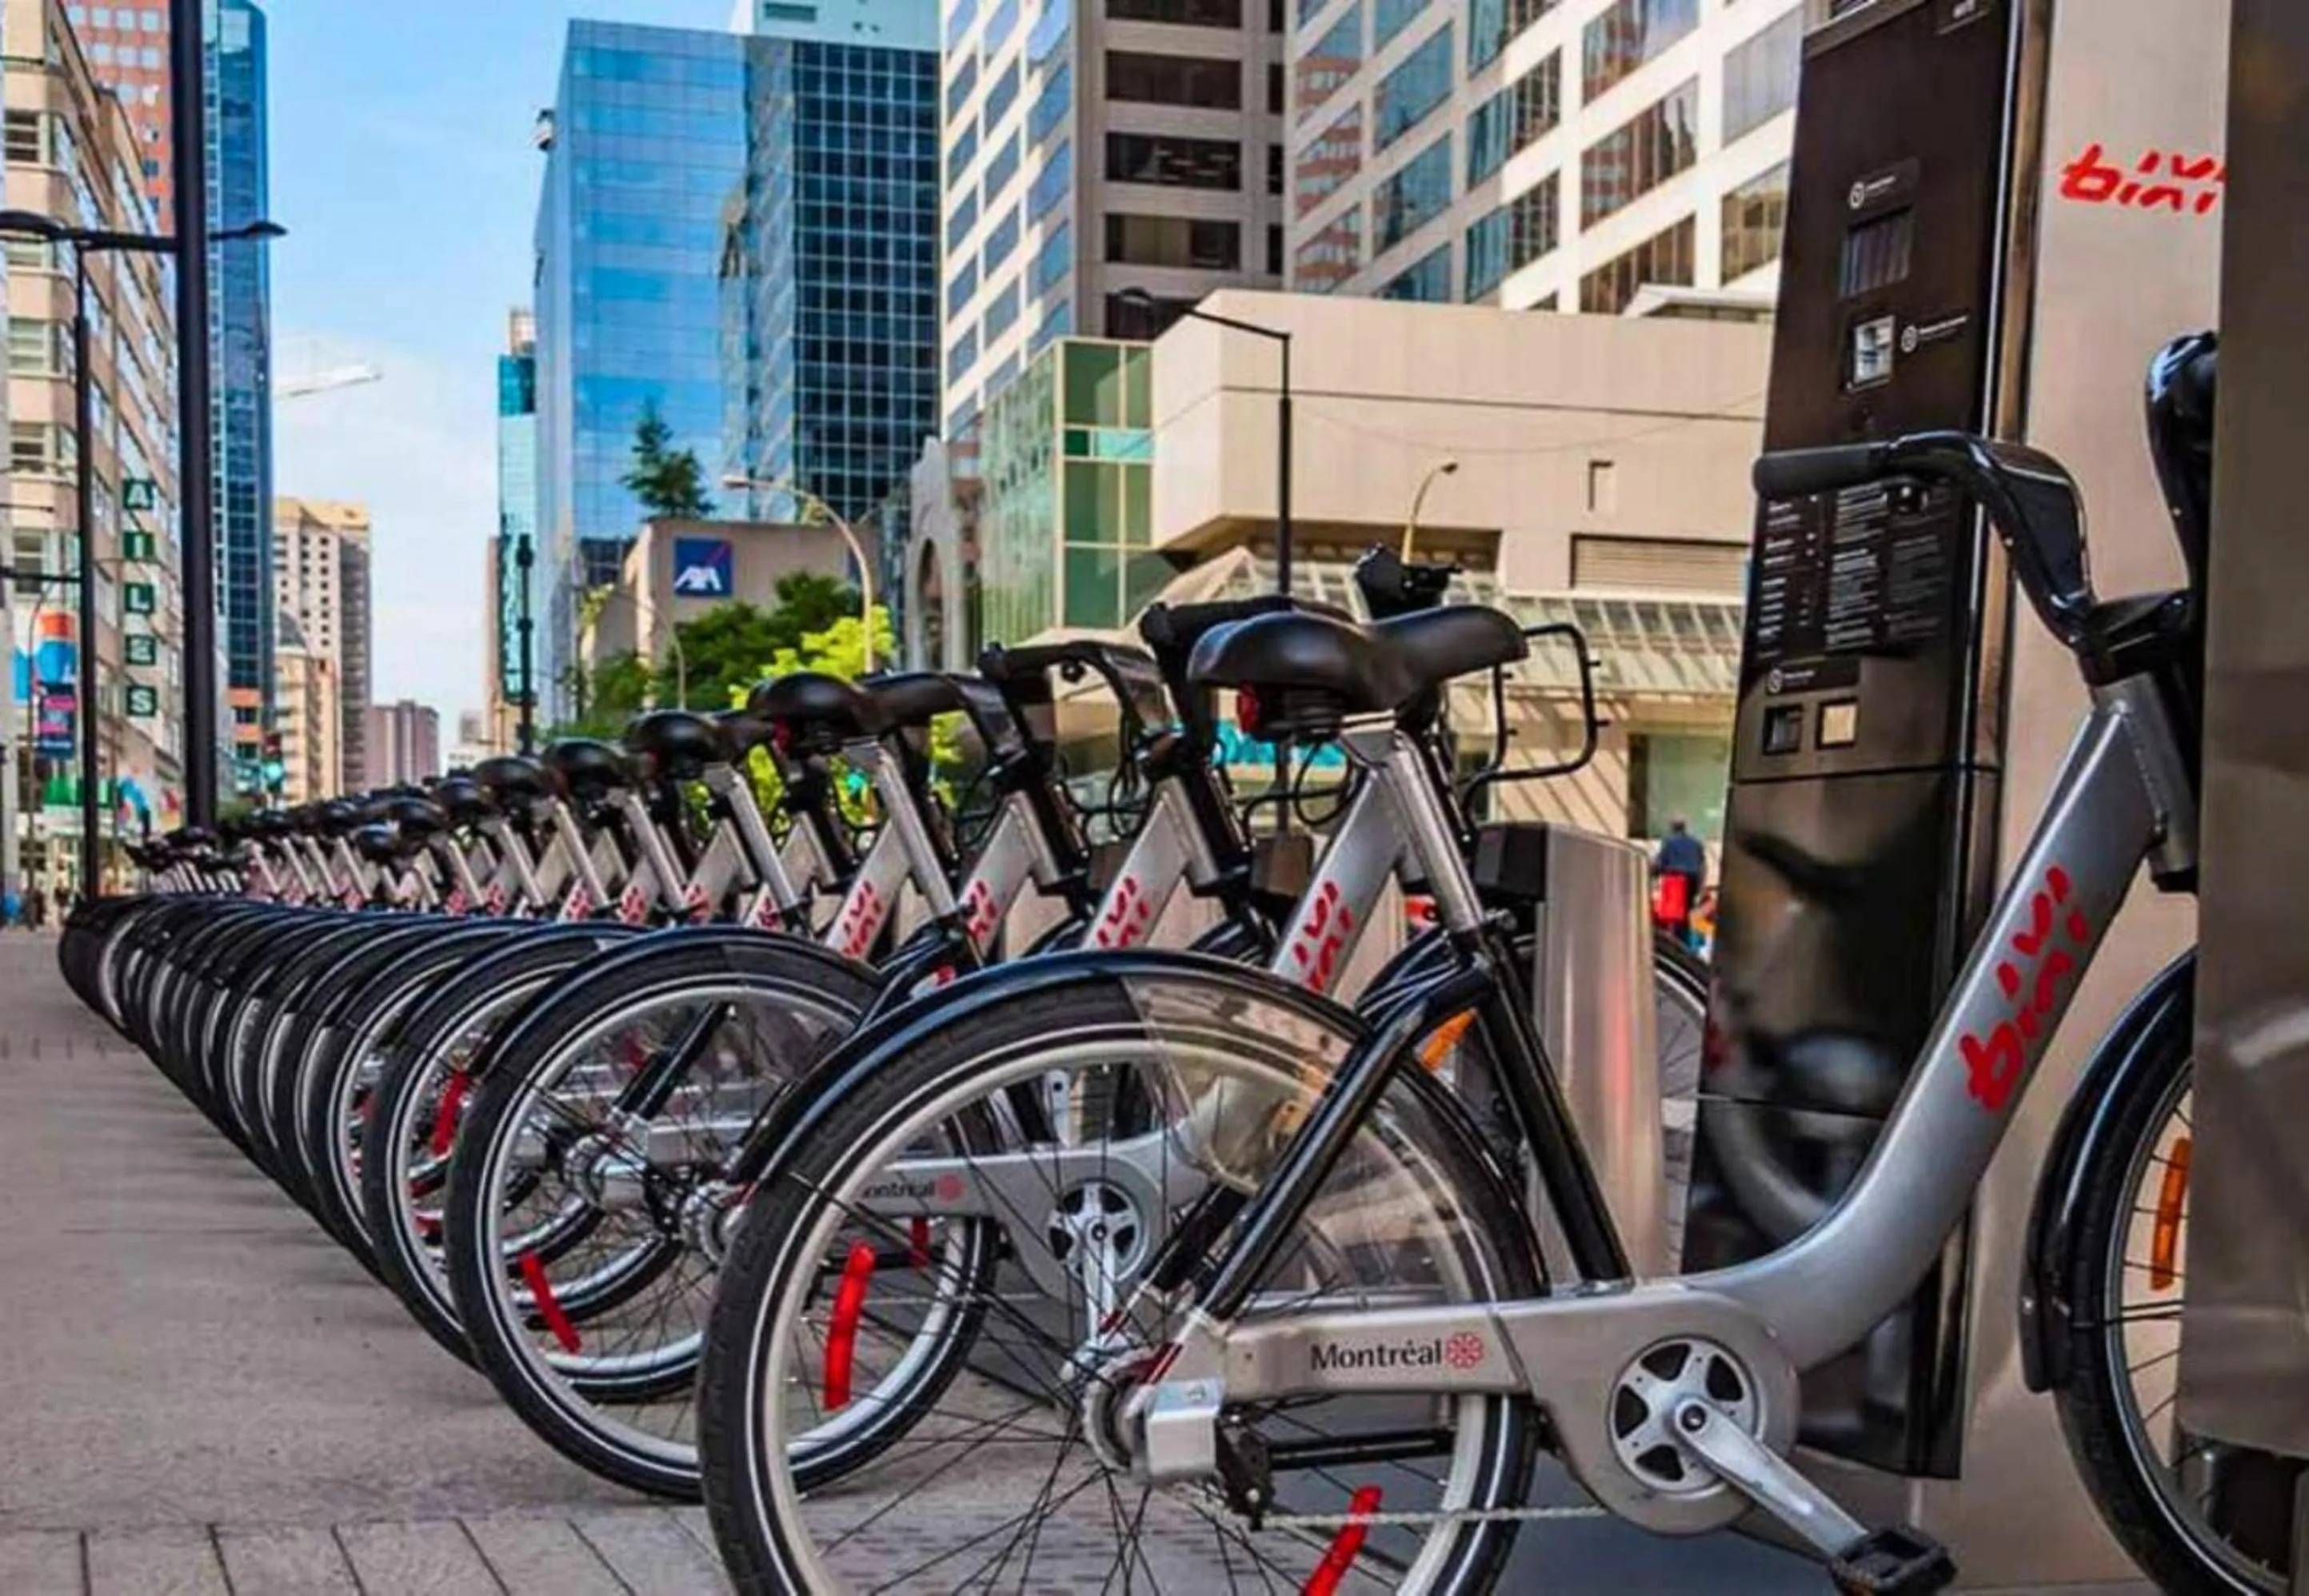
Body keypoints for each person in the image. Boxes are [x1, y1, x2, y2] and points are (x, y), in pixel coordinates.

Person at [1653, 819, 1708, 947]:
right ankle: (1685, 942)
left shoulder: (1669, 842)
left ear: (1673, 828)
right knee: (1685, 914)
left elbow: (1661, 862)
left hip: (1676, 879)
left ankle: (1675, 943)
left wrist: (1653, 874)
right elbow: (1702, 866)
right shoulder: (1696, 843)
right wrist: (1700, 886)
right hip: (1692, 879)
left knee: (1674, 915)